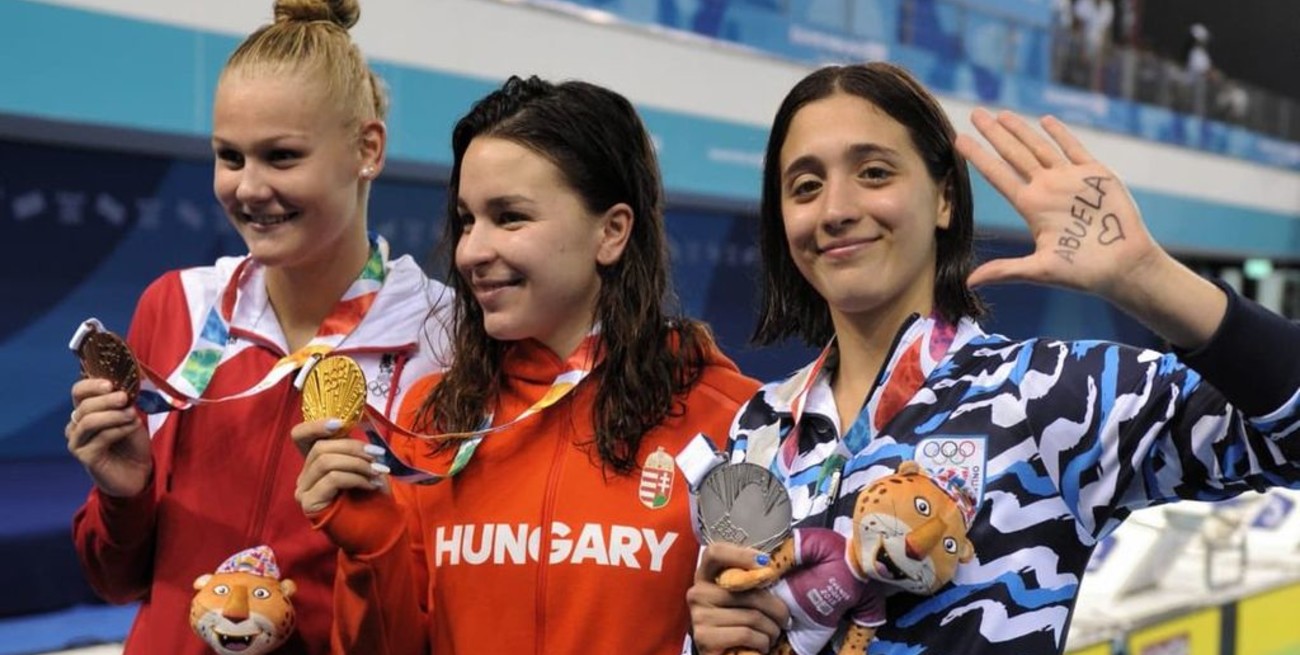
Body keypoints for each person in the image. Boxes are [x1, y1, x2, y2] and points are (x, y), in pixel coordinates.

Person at [686, 62, 1300, 655]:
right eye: (806, 185)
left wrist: (1147, 278)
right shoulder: (764, 422)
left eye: (874, 173)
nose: (836, 208)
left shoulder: (1047, 393)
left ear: (945, 200)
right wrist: (716, 635)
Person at [292, 75, 760, 654]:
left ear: (611, 232)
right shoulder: (432, 424)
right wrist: (373, 551)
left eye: (509, 217)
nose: (471, 252)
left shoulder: (735, 423)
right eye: (467, 220)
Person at [65, 1, 452, 653]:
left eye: (281, 156)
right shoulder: (177, 306)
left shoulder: (444, 333)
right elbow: (116, 579)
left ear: (368, 148)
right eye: (230, 156)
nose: (248, 188)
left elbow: (437, 604)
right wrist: (122, 495)